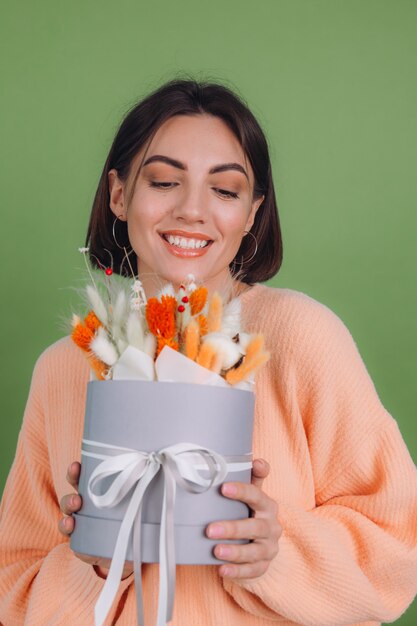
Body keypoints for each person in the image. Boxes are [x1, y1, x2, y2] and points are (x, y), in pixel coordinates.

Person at [0, 78, 416, 626]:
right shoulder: (63, 368)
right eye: (165, 181)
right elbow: (13, 588)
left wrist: (276, 549)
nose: (192, 210)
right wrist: (100, 566)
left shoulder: (300, 337)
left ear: (251, 214)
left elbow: (398, 547)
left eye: (225, 190)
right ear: (119, 195)